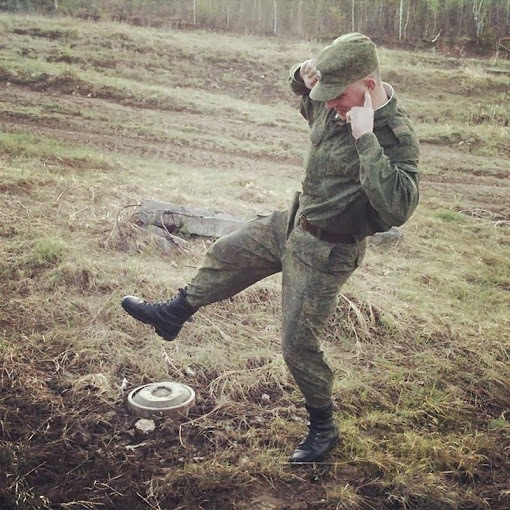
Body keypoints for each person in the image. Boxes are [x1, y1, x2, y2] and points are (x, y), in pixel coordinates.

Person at [121, 33, 420, 463]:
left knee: (297, 345)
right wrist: (300, 73)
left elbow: (399, 207)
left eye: (339, 97)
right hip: (294, 223)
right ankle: (173, 314)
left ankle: (323, 427)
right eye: (328, 95)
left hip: (328, 252)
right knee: (227, 251)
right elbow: (304, 94)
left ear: (369, 86)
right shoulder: (335, 101)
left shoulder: (394, 133)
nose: (331, 104)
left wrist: (366, 140)